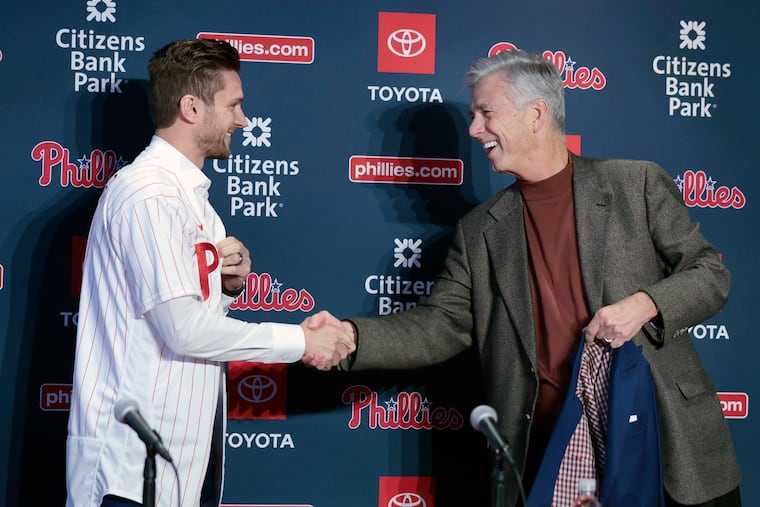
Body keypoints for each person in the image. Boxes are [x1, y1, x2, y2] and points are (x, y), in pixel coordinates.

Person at [317, 49, 741, 506]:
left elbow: (709, 274)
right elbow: (440, 325)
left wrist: (645, 304)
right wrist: (350, 337)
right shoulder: (481, 231)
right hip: (553, 454)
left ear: (536, 113)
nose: (474, 128)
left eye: (485, 113)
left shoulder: (634, 184)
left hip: (665, 442)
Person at [65, 38, 354, 507]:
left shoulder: (195, 203)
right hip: (130, 470)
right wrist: (301, 341)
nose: (243, 120)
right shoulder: (150, 195)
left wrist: (225, 289)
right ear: (192, 108)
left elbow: (185, 318)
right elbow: (182, 331)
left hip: (180, 461)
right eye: (234, 105)